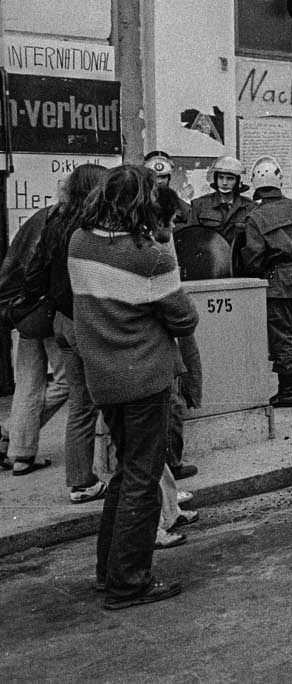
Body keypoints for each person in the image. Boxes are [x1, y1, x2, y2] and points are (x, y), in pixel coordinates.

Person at [70, 164, 197, 609]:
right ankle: (129, 581)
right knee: (143, 479)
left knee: (126, 473)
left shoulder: (79, 242)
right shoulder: (150, 257)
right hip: (144, 377)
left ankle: (109, 572)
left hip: (103, 378)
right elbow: (184, 318)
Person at [17, 163, 109, 501]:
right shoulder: (95, 228)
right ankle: (136, 479)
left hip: (62, 321)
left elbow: (34, 274)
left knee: (81, 405)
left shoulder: (55, 222)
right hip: (90, 321)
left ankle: (81, 482)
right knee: (120, 403)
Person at [240, 156, 292, 408]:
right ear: (279, 181)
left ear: (255, 183)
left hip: (276, 283)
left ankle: (287, 393)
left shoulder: (255, 217)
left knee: (283, 336)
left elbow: (253, 258)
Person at [144, 151, 199, 479]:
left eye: (164, 176)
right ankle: (171, 465)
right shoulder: (152, 249)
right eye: (155, 176)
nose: (160, 182)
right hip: (159, 328)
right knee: (170, 400)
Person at [0, 200, 64, 476]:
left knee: (27, 381)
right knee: (68, 381)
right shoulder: (67, 222)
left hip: (26, 310)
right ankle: (12, 436)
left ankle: (21, 453)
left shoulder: (41, 216)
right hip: (49, 312)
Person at [183, 155, 255, 256]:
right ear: (216, 179)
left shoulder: (250, 208)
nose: (224, 183)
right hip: (209, 260)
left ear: (238, 181)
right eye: (221, 178)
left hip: (238, 262)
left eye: (230, 179)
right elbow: (191, 238)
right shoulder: (200, 205)